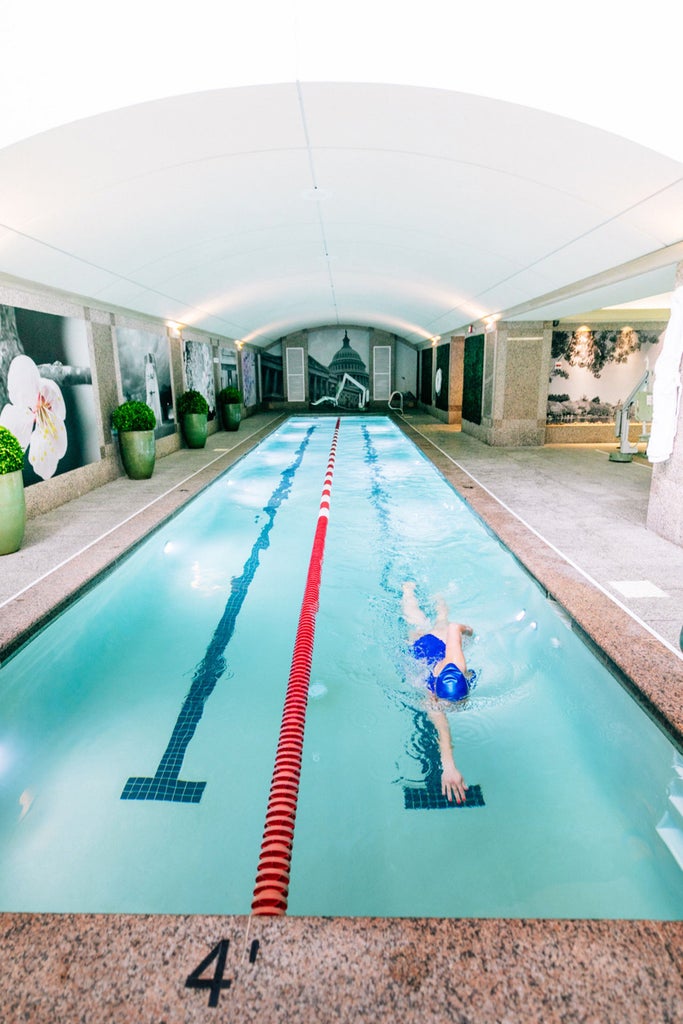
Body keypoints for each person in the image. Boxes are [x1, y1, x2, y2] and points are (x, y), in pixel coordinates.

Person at [401, 582, 477, 804]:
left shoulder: (457, 663)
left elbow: (455, 627)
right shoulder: (430, 692)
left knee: (443, 622)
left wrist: (470, 631)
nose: (448, 709)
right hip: (426, 649)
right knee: (415, 626)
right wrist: (449, 765)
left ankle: (438, 598)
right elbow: (441, 726)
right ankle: (408, 590)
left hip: (441, 643)